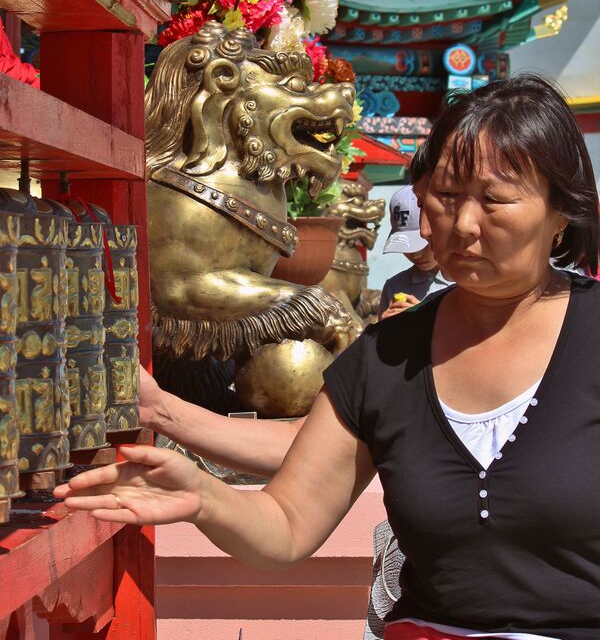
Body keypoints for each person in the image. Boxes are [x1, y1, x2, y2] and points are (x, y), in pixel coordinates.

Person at [55, 74, 600, 640]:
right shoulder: (386, 356)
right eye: (446, 194)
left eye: (494, 199)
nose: (462, 224)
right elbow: (288, 523)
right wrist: (202, 496)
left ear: (562, 211)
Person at [379, 181, 452, 320]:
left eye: (421, 245)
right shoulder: (395, 286)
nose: (415, 254)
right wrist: (384, 326)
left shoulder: (468, 284)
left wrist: (423, 316)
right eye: (405, 247)